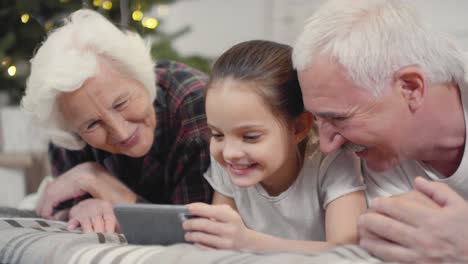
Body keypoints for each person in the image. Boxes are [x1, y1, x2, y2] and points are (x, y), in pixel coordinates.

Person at [293, 0, 468, 262]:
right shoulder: (379, 155)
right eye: (318, 118)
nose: (327, 146)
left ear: (410, 88)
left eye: (338, 118)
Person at [21, 9, 212, 233]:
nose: (121, 132)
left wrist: (97, 180)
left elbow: (193, 232)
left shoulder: (196, 104)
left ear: (140, 77)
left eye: (121, 103)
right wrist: (82, 208)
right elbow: (59, 208)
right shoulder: (68, 128)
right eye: (92, 125)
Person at [181, 40, 367, 252]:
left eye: (250, 136)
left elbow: (349, 252)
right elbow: (219, 245)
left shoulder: (332, 162)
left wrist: (249, 242)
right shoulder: (228, 163)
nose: (230, 153)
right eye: (217, 134)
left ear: (297, 128)